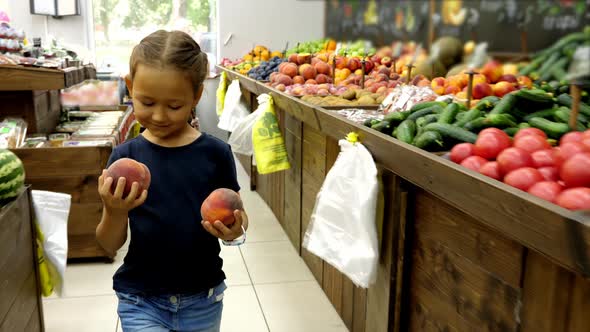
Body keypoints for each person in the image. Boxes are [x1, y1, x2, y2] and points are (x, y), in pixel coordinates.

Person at [96, 30, 248, 332]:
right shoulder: (125, 160)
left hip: (202, 299)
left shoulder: (216, 154)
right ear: (129, 87)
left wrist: (233, 231)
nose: (160, 115)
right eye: (147, 102)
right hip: (140, 299)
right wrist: (114, 210)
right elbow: (108, 243)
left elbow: (236, 224)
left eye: (174, 106)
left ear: (196, 95)